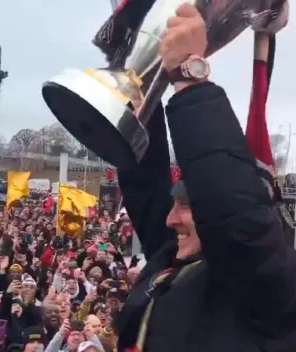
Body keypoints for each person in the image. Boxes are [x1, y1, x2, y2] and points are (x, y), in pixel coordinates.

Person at [115, 3, 295, 352]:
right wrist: (140, 99)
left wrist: (189, 77)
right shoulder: (173, 258)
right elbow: (145, 185)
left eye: (186, 206)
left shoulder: (273, 288)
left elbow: (234, 214)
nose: (170, 219)